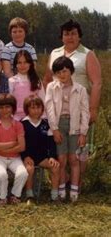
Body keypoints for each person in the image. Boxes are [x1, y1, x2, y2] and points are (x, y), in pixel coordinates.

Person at [43, 19, 101, 188]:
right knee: (60, 148)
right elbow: (47, 80)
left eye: (73, 33)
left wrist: (93, 109)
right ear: (61, 37)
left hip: (79, 110)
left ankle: (78, 182)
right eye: (66, 34)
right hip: (58, 112)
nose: (70, 37)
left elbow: (96, 83)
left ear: (79, 36)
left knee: (79, 148)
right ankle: (63, 179)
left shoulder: (87, 54)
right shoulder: (54, 53)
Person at [45, 56, 89, 202]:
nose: (62, 75)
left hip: (74, 126)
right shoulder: (51, 87)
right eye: (58, 73)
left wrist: (83, 133)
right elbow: (49, 108)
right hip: (59, 125)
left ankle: (74, 191)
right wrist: (55, 129)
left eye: (64, 71)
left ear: (71, 71)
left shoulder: (80, 89)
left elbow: (85, 112)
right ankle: (61, 189)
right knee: (62, 159)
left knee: (74, 159)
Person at [0, 93, 28, 205]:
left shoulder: (18, 125)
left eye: (7, 107)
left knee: (23, 173)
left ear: (13, 108)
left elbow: (22, 146)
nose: (4, 110)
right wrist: (11, 144)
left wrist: (2, 148)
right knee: (1, 175)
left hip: (15, 158)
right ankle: (3, 197)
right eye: (1, 107)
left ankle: (15, 195)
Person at [21, 95, 60, 201]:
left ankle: (55, 195)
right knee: (29, 169)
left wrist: (52, 157)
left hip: (42, 157)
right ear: (27, 109)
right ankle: (29, 195)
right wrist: (25, 157)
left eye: (38, 108)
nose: (36, 110)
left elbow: (51, 143)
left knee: (55, 167)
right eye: (32, 108)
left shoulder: (46, 124)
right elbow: (20, 143)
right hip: (28, 157)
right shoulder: (22, 123)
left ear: (42, 109)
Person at [8, 50, 45, 121]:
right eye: (19, 63)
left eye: (25, 62)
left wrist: (43, 118)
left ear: (30, 64)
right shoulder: (11, 81)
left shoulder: (36, 81)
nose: (22, 65)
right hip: (17, 119)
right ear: (15, 64)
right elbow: (10, 103)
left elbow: (42, 101)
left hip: (34, 118)